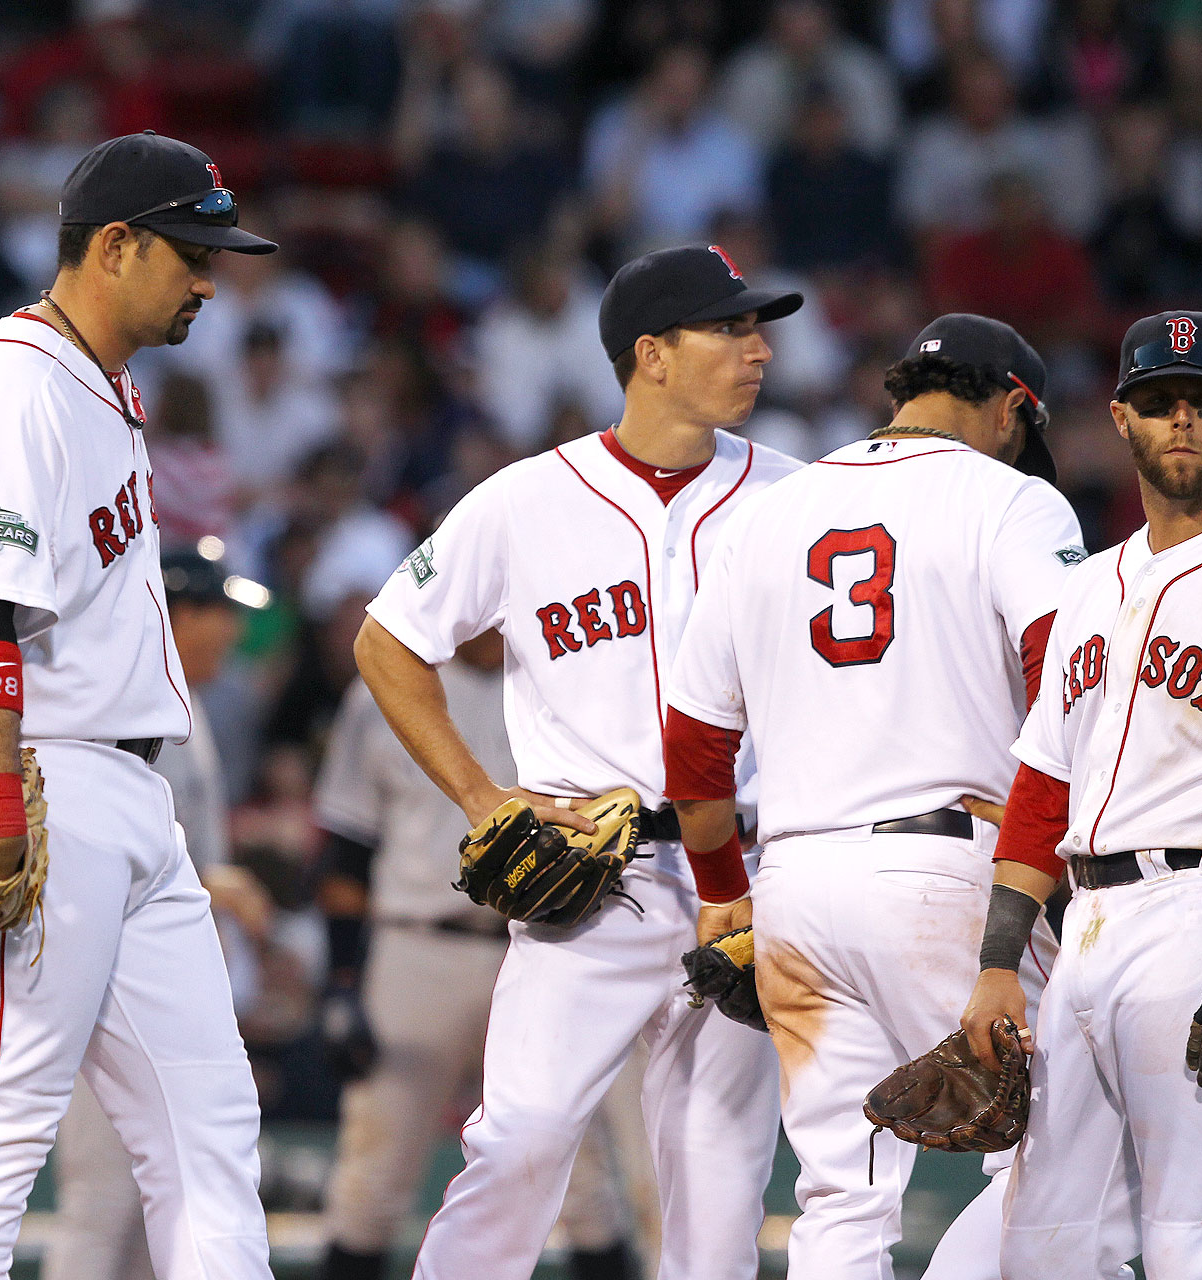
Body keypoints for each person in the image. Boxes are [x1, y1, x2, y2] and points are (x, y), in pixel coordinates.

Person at [354, 244, 804, 1280]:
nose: (758, 348)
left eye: (755, 326)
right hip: (593, 880)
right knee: (517, 1139)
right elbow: (387, 639)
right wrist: (481, 796)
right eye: (729, 328)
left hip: (743, 875)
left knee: (717, 1181)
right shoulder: (522, 500)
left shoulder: (794, 498)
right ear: (650, 352)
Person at [0, 131, 278, 1278]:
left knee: (208, 1129)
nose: (209, 280)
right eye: (190, 253)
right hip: (29, 770)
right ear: (114, 245)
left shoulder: (97, 385)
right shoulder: (12, 387)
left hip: (125, 790)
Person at [661, 314, 1082, 1278]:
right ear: (1014, 404)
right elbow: (1069, 686)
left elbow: (692, 739)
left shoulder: (771, 510)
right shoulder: (1007, 499)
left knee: (838, 1199)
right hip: (949, 872)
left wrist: (724, 886)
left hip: (797, 890)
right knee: (1065, 1152)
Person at [961, 310, 1202, 1278]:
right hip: (1087, 924)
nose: (1181, 422)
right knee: (1043, 1239)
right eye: (1158, 403)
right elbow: (1041, 778)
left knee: (1200, 1230)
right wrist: (997, 960)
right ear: (1118, 418)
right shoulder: (1089, 580)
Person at [314, 627, 644, 1280]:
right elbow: (347, 851)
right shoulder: (380, 691)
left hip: (549, 942)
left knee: (582, 1178)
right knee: (370, 1180)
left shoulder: (566, 684)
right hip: (419, 950)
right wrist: (342, 982)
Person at [44, 541, 256, 1280]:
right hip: (107, 976)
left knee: (152, 1207)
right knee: (102, 1202)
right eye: (220, 612)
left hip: (154, 979)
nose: (232, 630)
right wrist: (219, 884)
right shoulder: (126, 701)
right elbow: (107, 848)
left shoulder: (176, 699)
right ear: (179, 612)